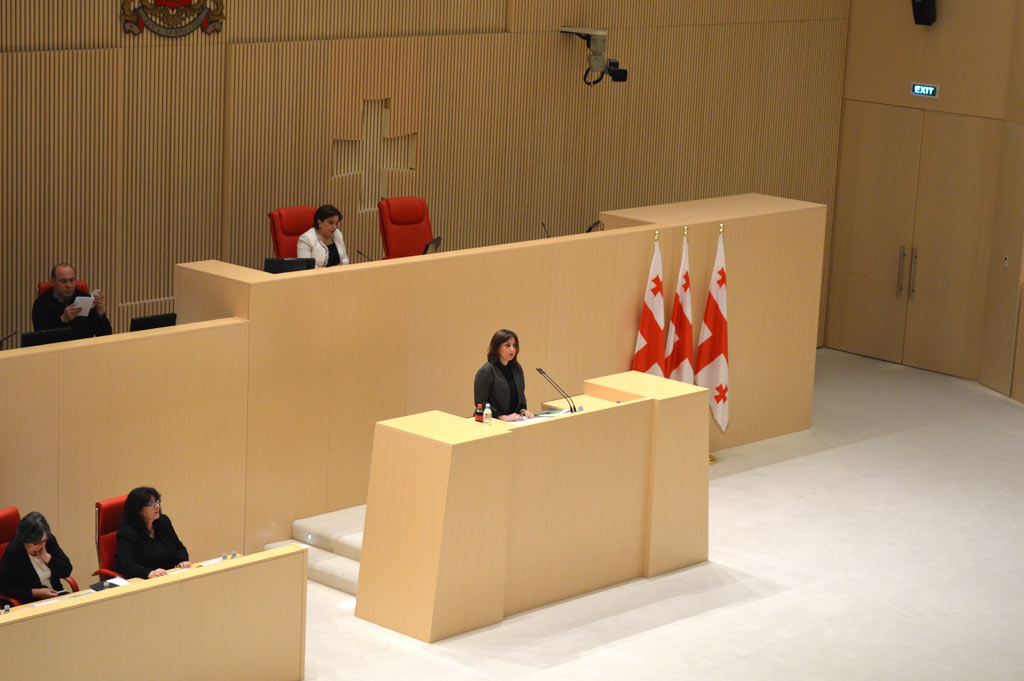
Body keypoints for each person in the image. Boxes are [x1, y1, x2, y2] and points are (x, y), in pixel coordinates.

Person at [114, 486, 190, 579]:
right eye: (151, 504)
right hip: (144, 580)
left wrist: (182, 561)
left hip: (169, 576)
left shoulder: (163, 522)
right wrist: (148, 573)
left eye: (158, 501)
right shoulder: (127, 532)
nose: (157, 506)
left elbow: (179, 547)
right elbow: (126, 564)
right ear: (138, 509)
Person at [0, 512, 73, 603]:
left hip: (56, 595)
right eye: (35, 543)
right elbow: (5, 588)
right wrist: (36, 592)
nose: (40, 546)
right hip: (30, 602)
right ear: (25, 539)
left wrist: (47, 557)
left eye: (43, 541)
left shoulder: (49, 541)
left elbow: (66, 571)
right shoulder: (14, 551)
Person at [31, 263, 112, 336]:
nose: (68, 285)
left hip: (84, 345)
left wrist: (100, 314)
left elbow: (106, 335)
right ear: (52, 281)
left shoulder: (86, 299)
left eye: (71, 280)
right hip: (58, 346)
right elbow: (42, 337)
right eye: (63, 281)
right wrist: (63, 319)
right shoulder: (41, 303)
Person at [473, 329, 535, 422]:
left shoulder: (516, 368)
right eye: (507, 345)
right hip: (489, 421)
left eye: (514, 345)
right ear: (497, 347)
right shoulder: (487, 371)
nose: (512, 349)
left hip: (512, 421)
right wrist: (501, 417)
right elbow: (480, 402)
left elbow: (521, 395)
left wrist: (523, 410)